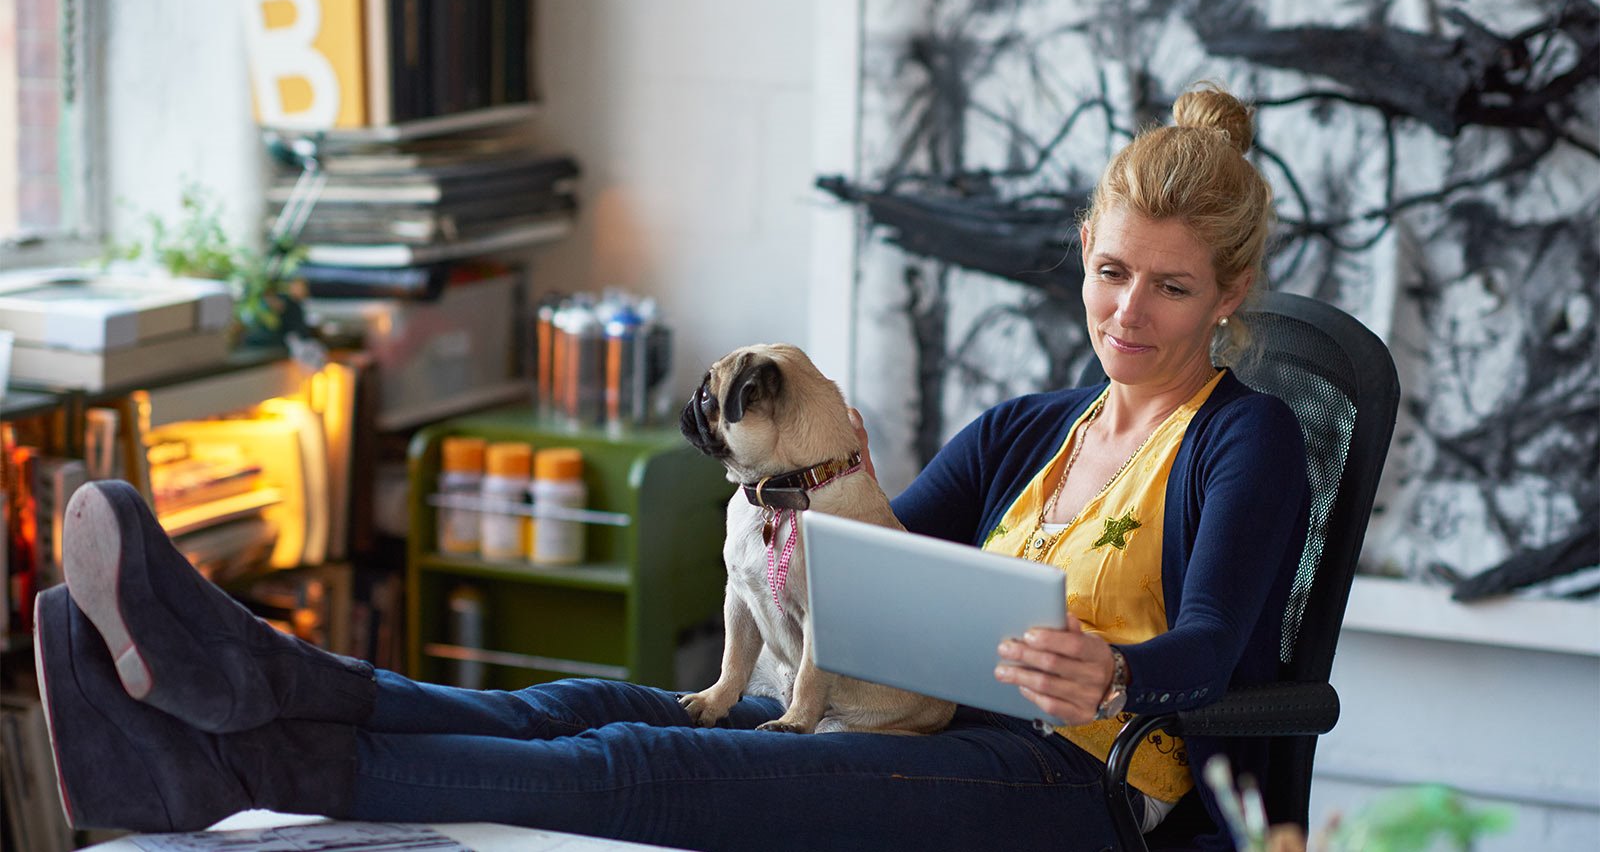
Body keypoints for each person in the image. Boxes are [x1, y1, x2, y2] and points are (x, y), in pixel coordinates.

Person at [33, 83, 1307, 852]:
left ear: (1229, 292)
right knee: (594, 704)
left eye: (1171, 286)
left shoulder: (1244, 440)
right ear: (1083, 248)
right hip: (914, 726)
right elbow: (852, 584)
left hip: (1067, 790)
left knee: (644, 773)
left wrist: (1117, 666)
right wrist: (795, 490)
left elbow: (1214, 645)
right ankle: (254, 675)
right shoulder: (1029, 432)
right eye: (1109, 269)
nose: (1128, 312)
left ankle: (239, 762)